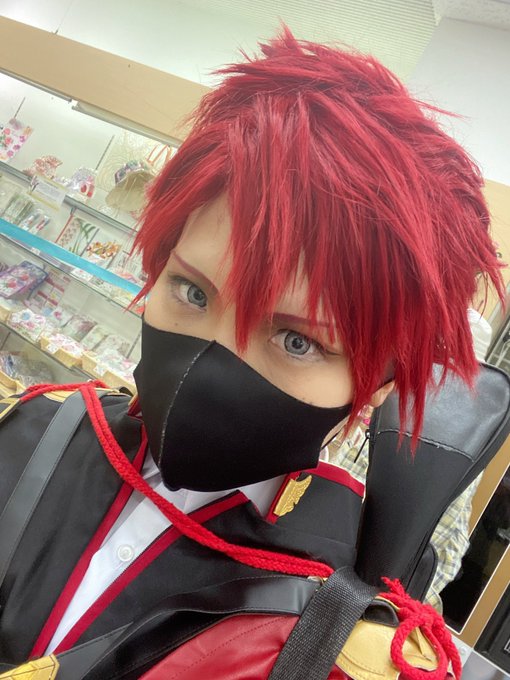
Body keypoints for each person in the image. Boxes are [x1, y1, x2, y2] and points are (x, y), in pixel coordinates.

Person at [0, 28, 504, 680]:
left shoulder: (336, 630)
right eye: (192, 291)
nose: (205, 366)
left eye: (297, 340)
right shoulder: (35, 432)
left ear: (377, 385)